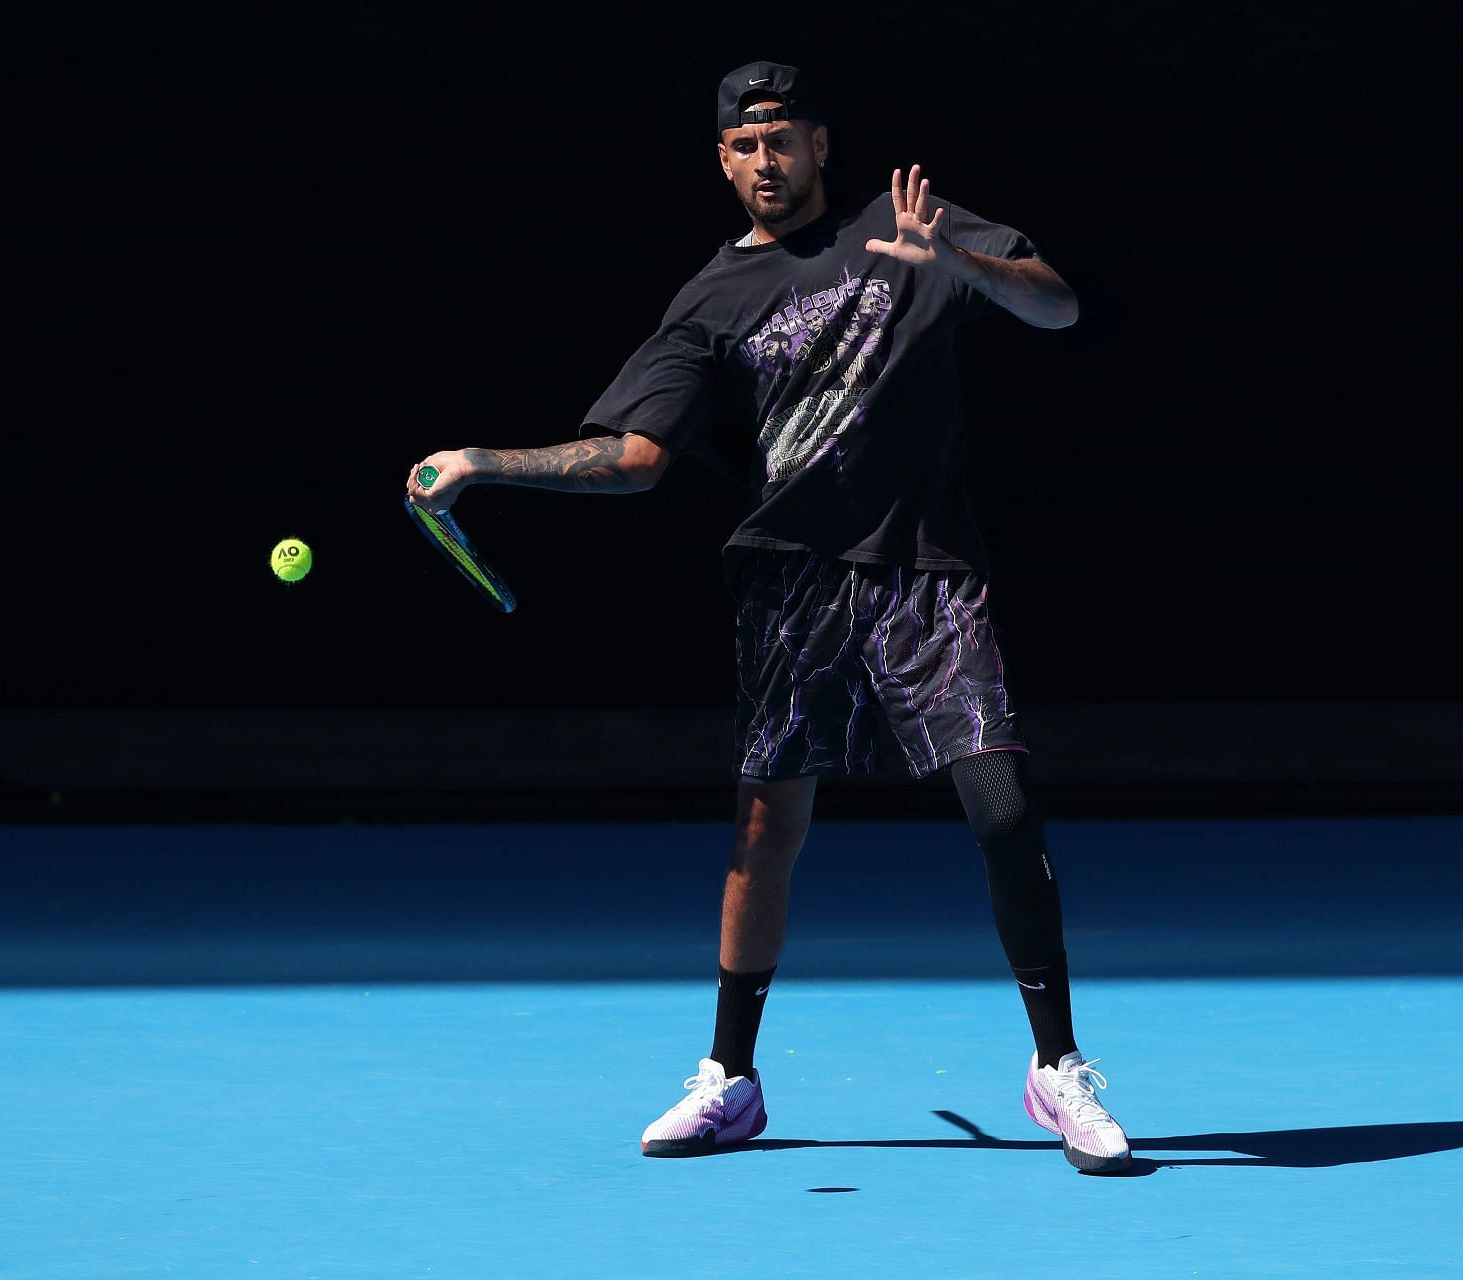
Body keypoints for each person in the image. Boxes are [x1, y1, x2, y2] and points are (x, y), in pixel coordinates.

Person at [406, 60, 1131, 1174]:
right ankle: (731, 1078)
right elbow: (637, 457)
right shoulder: (709, 299)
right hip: (793, 581)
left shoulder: (908, 225)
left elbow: (1060, 301)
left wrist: (960, 262)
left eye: (782, 138)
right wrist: (482, 461)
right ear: (722, 160)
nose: (764, 161)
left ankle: (1058, 1069)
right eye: (744, 146)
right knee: (764, 830)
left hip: (928, 569)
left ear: (820, 143)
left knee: (1001, 804)